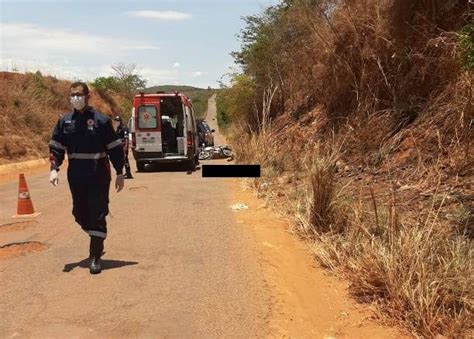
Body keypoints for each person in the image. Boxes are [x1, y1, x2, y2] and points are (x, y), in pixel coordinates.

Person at [48, 81, 125, 274]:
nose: (76, 98)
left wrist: (120, 172)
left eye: (79, 95)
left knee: (97, 213)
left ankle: (95, 255)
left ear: (87, 97)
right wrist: (54, 168)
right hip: (76, 175)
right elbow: (57, 146)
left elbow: (114, 148)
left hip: (98, 174)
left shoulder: (100, 120)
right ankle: (96, 235)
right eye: (72, 95)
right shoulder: (65, 121)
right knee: (79, 213)